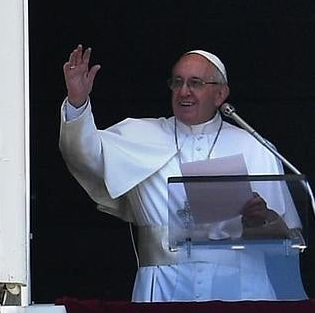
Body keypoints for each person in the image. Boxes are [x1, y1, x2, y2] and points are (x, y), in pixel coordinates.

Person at [59, 45, 305, 302]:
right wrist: (78, 102)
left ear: (220, 94)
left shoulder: (254, 147)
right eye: (177, 82)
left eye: (195, 83)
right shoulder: (140, 135)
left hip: (241, 289)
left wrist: (262, 219)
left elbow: (287, 239)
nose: (184, 91)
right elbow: (83, 155)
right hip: (163, 285)